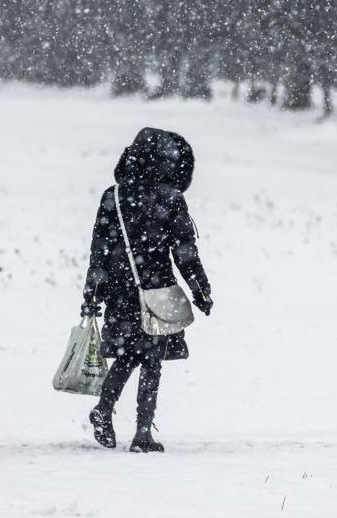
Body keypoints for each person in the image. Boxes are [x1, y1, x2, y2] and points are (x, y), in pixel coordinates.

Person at [82, 127, 213, 453]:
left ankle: (103, 409)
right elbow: (185, 252)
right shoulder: (171, 199)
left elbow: (98, 250)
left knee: (128, 356)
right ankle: (142, 432)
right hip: (156, 289)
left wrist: (92, 291)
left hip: (120, 292)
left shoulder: (112, 196)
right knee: (151, 358)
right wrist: (200, 289)